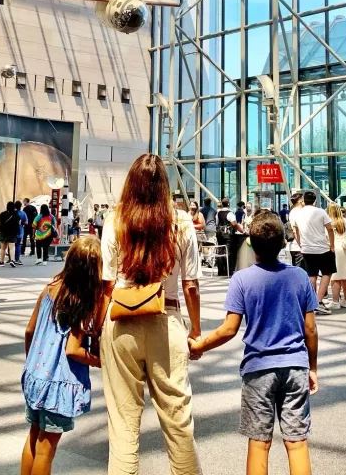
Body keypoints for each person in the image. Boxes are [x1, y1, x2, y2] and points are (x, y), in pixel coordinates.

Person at [188, 209, 317, 475]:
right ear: (284, 243)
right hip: (295, 366)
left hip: (258, 369)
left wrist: (200, 345)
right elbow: (310, 329)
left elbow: (228, 329)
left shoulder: (242, 279)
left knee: (259, 442)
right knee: (297, 443)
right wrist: (312, 367)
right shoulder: (300, 277)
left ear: (249, 242)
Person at [99, 153, 202, 475]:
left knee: (123, 423)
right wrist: (195, 331)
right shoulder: (182, 221)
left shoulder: (115, 219)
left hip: (120, 323)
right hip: (166, 321)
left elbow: (106, 283)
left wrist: (94, 330)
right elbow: (191, 285)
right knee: (178, 422)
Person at [21, 235, 102, 475]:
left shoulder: (50, 289)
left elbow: (29, 330)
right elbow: (73, 350)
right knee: (47, 447)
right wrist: (99, 361)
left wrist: (32, 361)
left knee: (33, 436)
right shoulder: (81, 300)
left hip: (35, 374)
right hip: (58, 383)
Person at [294, 191, 335, 315]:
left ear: (303, 200)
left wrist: (301, 244)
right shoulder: (321, 212)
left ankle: (312, 302)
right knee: (327, 273)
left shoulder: (298, 214)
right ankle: (319, 300)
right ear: (315, 200)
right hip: (322, 248)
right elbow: (329, 228)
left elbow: (296, 231)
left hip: (306, 249)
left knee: (312, 274)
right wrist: (332, 245)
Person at [328, 203, 346, 309]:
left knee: (335, 277)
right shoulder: (345, 221)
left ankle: (335, 302)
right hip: (345, 249)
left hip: (333, 248)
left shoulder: (328, 222)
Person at [217, 197, 244, 275]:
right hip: (228, 235)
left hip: (219, 234)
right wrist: (242, 231)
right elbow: (235, 224)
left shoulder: (218, 213)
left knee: (220, 251)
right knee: (229, 251)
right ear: (228, 204)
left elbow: (217, 223)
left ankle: (221, 270)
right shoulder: (230, 213)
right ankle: (228, 270)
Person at [0, 201, 20, 268]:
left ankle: (1, 261)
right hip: (13, 233)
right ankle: (12, 260)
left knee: (3, 248)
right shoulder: (16, 214)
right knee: (12, 247)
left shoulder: (3, 214)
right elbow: (19, 223)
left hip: (3, 232)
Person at [287, 192, 304, 269]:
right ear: (300, 201)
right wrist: (301, 245)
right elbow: (295, 230)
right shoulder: (298, 212)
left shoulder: (293, 211)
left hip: (295, 246)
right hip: (298, 247)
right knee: (300, 269)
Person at [15, 200, 27, 265]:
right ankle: (17, 259)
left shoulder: (12, 213)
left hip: (12, 231)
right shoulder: (23, 213)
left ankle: (11, 258)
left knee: (11, 245)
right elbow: (26, 222)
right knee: (18, 245)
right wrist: (21, 223)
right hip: (20, 231)